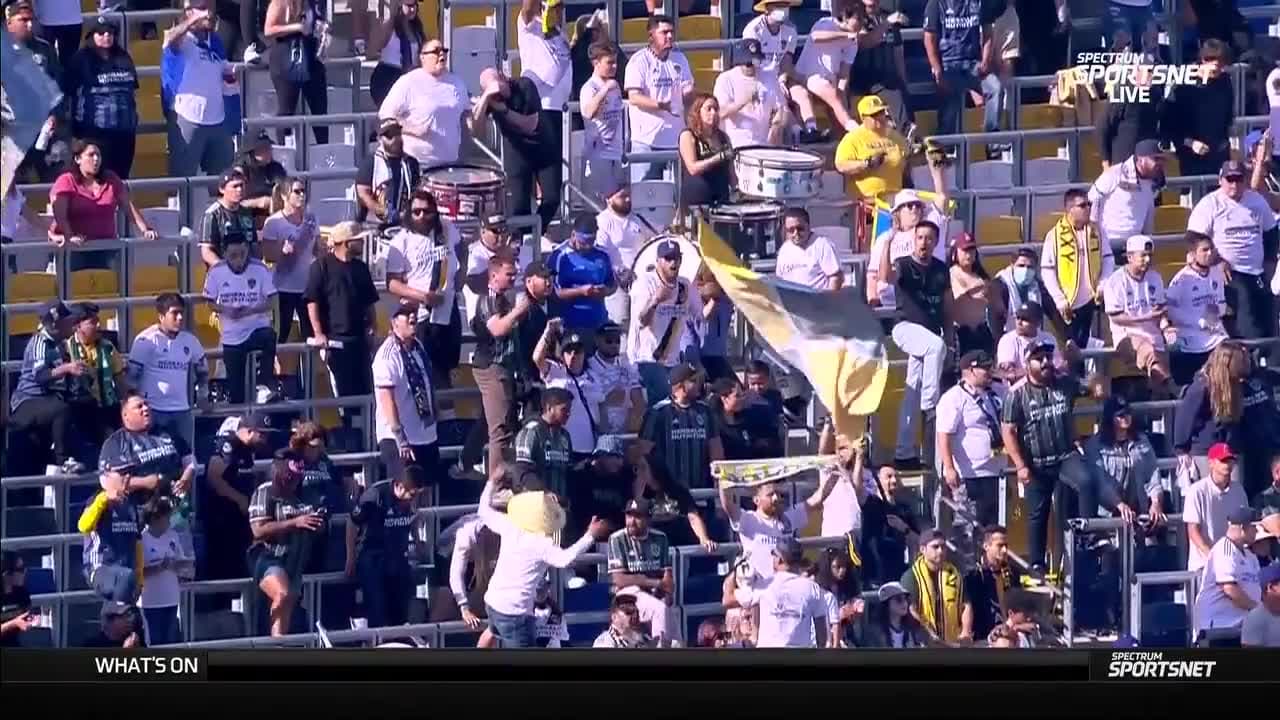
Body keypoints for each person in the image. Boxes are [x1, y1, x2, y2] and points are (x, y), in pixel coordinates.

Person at [1001, 341, 1130, 572]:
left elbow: (1092, 386)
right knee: (1037, 513)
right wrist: (1020, 465)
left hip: (1064, 456)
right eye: (1039, 359)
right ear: (1027, 363)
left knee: (1086, 481)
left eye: (1048, 357)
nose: (1045, 362)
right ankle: (1037, 563)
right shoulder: (1017, 394)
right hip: (1035, 462)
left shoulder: (1064, 383)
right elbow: (1008, 431)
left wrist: (1098, 385)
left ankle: (1088, 535)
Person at [476, 475, 609, 648]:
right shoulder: (541, 543)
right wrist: (590, 535)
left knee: (492, 632)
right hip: (515, 611)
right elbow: (564, 559)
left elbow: (483, 511)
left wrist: (492, 482)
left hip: (493, 602)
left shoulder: (511, 526)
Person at [879, 219, 948, 467]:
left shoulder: (940, 269)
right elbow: (885, 277)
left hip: (928, 335)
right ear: (913, 240)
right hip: (905, 328)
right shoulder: (904, 264)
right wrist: (887, 243)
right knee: (936, 347)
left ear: (935, 242)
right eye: (920, 238)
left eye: (929, 238)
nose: (924, 243)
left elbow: (946, 304)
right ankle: (930, 406)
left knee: (911, 390)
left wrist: (950, 334)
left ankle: (904, 453)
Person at [385, 190, 464, 404]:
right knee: (426, 371)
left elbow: (462, 247)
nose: (421, 216)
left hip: (448, 310)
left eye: (427, 211)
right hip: (421, 315)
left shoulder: (446, 229)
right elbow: (392, 283)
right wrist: (422, 297)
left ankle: (447, 417)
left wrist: (461, 275)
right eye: (416, 211)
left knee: (447, 370)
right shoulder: (401, 241)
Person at [1173, 341, 1280, 499]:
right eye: (1241, 360)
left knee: (1234, 496)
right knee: (1212, 498)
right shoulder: (1203, 386)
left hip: (1232, 448)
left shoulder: (1237, 384)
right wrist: (1181, 449)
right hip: (1207, 450)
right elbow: (1185, 418)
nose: (1246, 363)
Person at [1188, 159, 1278, 342]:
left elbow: (1270, 234)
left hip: (1257, 271)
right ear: (1221, 180)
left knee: (1269, 318)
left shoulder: (1257, 201)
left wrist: (1270, 263)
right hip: (1227, 273)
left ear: (1245, 180)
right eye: (1230, 179)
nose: (1234, 184)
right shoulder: (1210, 203)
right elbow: (1194, 237)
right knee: (1248, 322)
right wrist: (1217, 261)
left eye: (1239, 179)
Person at [304, 222, 379, 431]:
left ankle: (365, 437)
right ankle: (351, 437)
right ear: (346, 242)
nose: (362, 242)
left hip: (360, 341)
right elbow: (312, 302)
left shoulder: (360, 268)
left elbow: (369, 302)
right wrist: (319, 334)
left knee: (366, 393)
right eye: (358, 239)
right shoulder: (321, 267)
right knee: (345, 396)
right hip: (335, 343)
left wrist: (373, 326)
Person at [475, 67, 562, 237]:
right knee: (518, 206)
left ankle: (536, 233)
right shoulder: (491, 99)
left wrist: (504, 110)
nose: (496, 92)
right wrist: (485, 99)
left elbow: (530, 125)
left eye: (496, 84)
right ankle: (523, 241)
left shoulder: (524, 86)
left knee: (552, 199)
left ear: (503, 77)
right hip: (517, 153)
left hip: (544, 147)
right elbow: (476, 131)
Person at [248, 450, 327, 636]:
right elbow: (258, 530)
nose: (293, 480)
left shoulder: (308, 494)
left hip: (296, 562)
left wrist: (318, 523)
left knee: (288, 601)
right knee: (282, 594)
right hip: (269, 557)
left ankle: (279, 644)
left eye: (297, 476)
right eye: (289, 475)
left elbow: (320, 526)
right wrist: (294, 523)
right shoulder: (265, 491)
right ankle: (278, 645)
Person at [49, 138, 158, 272]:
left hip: (106, 247)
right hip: (77, 247)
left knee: (117, 271)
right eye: (91, 155)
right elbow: (60, 215)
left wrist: (145, 229)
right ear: (78, 159)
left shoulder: (111, 179)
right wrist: (70, 236)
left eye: (98, 155)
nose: (96, 159)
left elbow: (128, 206)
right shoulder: (66, 181)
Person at [719, 471, 838, 591]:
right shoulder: (748, 519)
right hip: (758, 591)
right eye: (770, 495)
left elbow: (818, 498)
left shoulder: (789, 517)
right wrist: (722, 478)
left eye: (778, 494)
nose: (776, 498)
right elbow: (727, 504)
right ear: (756, 500)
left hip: (784, 590)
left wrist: (834, 472)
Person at [127, 294, 208, 465]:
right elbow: (132, 377)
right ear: (161, 316)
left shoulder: (190, 341)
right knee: (153, 460)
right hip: (153, 411)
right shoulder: (146, 340)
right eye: (175, 313)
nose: (180, 318)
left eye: (182, 313)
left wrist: (203, 394)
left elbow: (202, 370)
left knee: (186, 460)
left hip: (182, 411)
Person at [8, 301, 85, 475]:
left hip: (47, 401)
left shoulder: (61, 344)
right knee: (61, 409)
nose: (72, 324)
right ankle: (63, 459)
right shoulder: (40, 342)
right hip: (28, 401)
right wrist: (67, 368)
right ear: (55, 325)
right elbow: (40, 376)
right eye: (68, 320)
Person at [162, 0, 236, 177]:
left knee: (223, 179)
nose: (208, 13)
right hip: (187, 116)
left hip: (218, 119)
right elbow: (169, 39)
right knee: (183, 179)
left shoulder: (215, 41)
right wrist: (192, 20)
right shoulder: (182, 39)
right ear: (188, 12)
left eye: (209, 8)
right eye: (202, 9)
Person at [348, 463, 427, 629]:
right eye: (412, 494)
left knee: (400, 613)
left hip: (398, 557)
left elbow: (412, 520)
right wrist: (351, 558)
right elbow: (352, 523)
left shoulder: (412, 500)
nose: (414, 499)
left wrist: (418, 542)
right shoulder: (375, 496)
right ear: (399, 486)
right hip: (372, 557)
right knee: (377, 610)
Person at [202, 233, 278, 405]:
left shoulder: (260, 269)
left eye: (242, 255)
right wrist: (227, 310)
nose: (239, 260)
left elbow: (273, 301)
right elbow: (209, 302)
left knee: (268, 336)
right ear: (225, 253)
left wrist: (250, 310)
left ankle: (263, 385)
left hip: (256, 328)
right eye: (233, 256)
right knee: (237, 392)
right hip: (231, 335)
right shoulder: (216, 271)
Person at [936, 350, 1006, 530]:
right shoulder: (953, 397)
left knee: (995, 528)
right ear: (970, 370)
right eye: (985, 368)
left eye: (990, 367)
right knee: (971, 528)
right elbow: (944, 434)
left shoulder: (998, 391)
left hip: (998, 471)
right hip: (970, 474)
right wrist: (949, 468)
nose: (989, 372)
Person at [628, 239, 703, 406]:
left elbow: (700, 315)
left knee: (677, 404)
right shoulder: (645, 283)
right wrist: (655, 300)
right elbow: (641, 322)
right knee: (663, 404)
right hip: (647, 359)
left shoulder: (685, 285)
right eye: (668, 258)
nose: (673, 263)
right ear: (658, 261)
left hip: (673, 361)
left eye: (676, 258)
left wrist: (715, 297)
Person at [64, 16, 139, 180]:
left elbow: (132, 91)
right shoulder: (80, 60)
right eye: (101, 33)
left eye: (110, 33)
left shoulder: (124, 57)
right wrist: (73, 132)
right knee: (95, 178)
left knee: (120, 179)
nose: (106, 36)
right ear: (91, 36)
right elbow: (69, 95)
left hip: (124, 132)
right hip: (93, 132)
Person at [379, 38, 472, 167]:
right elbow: (385, 116)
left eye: (444, 50)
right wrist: (412, 129)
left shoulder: (457, 83)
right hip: (417, 163)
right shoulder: (409, 82)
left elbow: (467, 117)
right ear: (422, 57)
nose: (441, 54)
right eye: (436, 51)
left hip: (449, 163)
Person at [624, 14, 694, 182]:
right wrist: (661, 105)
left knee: (675, 192)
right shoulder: (638, 61)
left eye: (671, 32)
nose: (669, 36)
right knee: (644, 191)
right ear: (651, 36)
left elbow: (687, 90)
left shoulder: (679, 58)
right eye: (664, 32)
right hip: (647, 141)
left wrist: (690, 93)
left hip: (675, 139)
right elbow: (634, 97)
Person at [373, 306, 440, 481]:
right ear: (394, 322)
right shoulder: (387, 356)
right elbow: (387, 400)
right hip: (399, 440)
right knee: (405, 489)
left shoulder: (418, 347)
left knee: (427, 488)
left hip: (425, 435)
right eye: (405, 313)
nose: (412, 316)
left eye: (413, 312)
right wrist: (400, 439)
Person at [1101, 234, 1174, 394]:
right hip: (1128, 336)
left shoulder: (1155, 278)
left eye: (1150, 256)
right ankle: (1168, 384)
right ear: (1130, 257)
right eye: (1143, 256)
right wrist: (1145, 318)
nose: (1147, 260)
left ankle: (1165, 389)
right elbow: (1116, 318)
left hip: (1154, 337)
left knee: (1159, 388)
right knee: (1148, 352)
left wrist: (1166, 328)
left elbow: (1160, 311)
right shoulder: (1115, 282)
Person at [1042, 188, 1114, 348]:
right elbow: (1047, 270)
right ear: (1070, 209)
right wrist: (1059, 299)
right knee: (1070, 346)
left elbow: (1108, 259)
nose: (1088, 208)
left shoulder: (1097, 231)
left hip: (1090, 299)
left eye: (1089, 204)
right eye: (1083, 205)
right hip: (1066, 302)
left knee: (1084, 343)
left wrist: (1103, 284)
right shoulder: (1054, 235)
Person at [923, 0, 1004, 141]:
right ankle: (944, 145)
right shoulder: (936, 3)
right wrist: (937, 69)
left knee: (995, 87)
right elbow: (929, 39)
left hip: (973, 64)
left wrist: (985, 60)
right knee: (951, 102)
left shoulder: (979, 2)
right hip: (947, 65)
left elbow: (988, 32)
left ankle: (992, 141)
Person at [865, 184, 952, 313]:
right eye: (909, 206)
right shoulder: (883, 239)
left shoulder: (928, 231)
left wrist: (937, 173)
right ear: (898, 212)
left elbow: (942, 198)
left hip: (922, 301)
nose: (915, 209)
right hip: (889, 304)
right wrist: (873, 301)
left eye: (918, 206)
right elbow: (872, 275)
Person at [640, 363, 726, 492]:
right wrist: (653, 484)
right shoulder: (658, 413)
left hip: (702, 491)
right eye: (694, 381)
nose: (699, 384)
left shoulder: (706, 411)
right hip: (668, 492)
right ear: (680, 385)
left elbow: (716, 450)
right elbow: (643, 453)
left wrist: (718, 481)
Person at [201, 413, 266, 582]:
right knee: (223, 569)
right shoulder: (228, 444)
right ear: (250, 431)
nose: (264, 440)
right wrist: (239, 499)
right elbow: (214, 477)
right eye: (262, 434)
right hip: (222, 518)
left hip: (238, 518)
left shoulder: (246, 449)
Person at [743, 0, 819, 141]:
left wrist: (782, 79)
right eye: (778, 6)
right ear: (767, 9)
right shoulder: (753, 30)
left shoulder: (791, 30)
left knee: (801, 93)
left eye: (785, 6)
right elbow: (752, 64)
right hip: (759, 78)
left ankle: (812, 130)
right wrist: (773, 83)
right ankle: (798, 133)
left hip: (780, 76)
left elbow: (786, 61)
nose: (783, 10)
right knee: (779, 98)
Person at [1085, 395, 1166, 526]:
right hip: (1106, 514)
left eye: (1128, 413)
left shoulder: (1142, 440)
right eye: (1120, 415)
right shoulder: (1095, 445)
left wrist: (1156, 502)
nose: (1126, 417)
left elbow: (1153, 473)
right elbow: (1100, 482)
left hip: (1138, 510)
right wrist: (1120, 505)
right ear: (1110, 418)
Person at [607, 498, 676, 645]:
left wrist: (667, 593)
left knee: (671, 619)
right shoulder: (617, 539)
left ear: (648, 518)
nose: (632, 521)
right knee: (660, 609)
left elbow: (667, 577)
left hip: (654, 593)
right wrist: (655, 583)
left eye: (638, 516)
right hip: (627, 594)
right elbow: (619, 579)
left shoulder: (660, 538)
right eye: (629, 516)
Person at [260, 178, 320, 347]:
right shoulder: (273, 223)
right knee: (280, 337)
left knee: (311, 337)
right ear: (284, 195)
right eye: (296, 191)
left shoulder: (312, 219)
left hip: (307, 288)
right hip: (282, 289)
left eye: (303, 191)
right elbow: (268, 256)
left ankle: (308, 365)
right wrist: (283, 251)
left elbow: (317, 250)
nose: (302, 195)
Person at [745, 538, 836, 648]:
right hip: (800, 654)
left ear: (779, 559)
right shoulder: (813, 588)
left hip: (767, 654)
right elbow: (822, 633)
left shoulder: (764, 585)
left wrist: (736, 571)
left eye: (774, 554)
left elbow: (728, 599)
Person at [1163, 39, 1234, 178]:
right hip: (1191, 156)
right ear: (1203, 60)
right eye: (1215, 65)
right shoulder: (1182, 85)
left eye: (1222, 65)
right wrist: (1190, 143)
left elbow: (1228, 116)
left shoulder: (1225, 82)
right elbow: (1169, 126)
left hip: (1219, 154)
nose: (1218, 70)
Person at [262, 0, 329, 145]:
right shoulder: (281, 2)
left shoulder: (315, 3)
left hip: (311, 57)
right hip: (287, 57)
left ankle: (324, 150)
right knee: (286, 111)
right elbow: (268, 29)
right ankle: (284, 151)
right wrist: (296, 27)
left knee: (320, 111)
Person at [1166, 232, 1229, 384]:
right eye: (1204, 250)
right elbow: (1171, 311)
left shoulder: (1216, 274)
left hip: (1215, 336)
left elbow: (1220, 302)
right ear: (1193, 254)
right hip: (1190, 339)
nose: (1210, 253)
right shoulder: (1181, 280)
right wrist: (1197, 322)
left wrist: (1215, 314)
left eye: (1211, 249)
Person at [794, 4, 864, 136]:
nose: (861, 23)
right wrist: (845, 35)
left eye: (862, 19)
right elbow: (816, 37)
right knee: (829, 91)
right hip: (806, 77)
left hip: (830, 82)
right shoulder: (825, 23)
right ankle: (855, 129)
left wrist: (841, 91)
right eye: (858, 18)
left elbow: (844, 72)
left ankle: (846, 137)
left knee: (837, 100)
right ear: (846, 18)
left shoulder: (853, 42)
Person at [533, 328, 604, 457]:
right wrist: (548, 332)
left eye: (577, 351)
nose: (573, 356)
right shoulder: (555, 371)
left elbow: (602, 406)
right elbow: (537, 358)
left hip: (588, 446)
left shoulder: (593, 377)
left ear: (584, 353)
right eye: (568, 351)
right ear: (562, 354)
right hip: (561, 446)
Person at [1194, 505, 1260, 642]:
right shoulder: (1224, 549)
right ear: (1242, 527)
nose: (1257, 530)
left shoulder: (1250, 556)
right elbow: (1229, 589)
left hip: (1241, 626)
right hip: (1219, 627)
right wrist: (1258, 610)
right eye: (1254, 526)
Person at [1183, 443, 1252, 573]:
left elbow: (1245, 526)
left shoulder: (1239, 490)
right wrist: (1211, 557)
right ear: (1211, 463)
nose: (1227, 464)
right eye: (1223, 460)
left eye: (1230, 460)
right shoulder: (1196, 491)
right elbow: (1193, 530)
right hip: (1203, 565)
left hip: (1234, 564)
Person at [1088, 139, 1162, 258]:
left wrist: (1147, 237)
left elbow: (1149, 213)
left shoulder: (1153, 182)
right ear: (1141, 159)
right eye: (1155, 159)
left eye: (1161, 159)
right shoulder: (1115, 173)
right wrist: (1094, 234)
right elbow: (1092, 198)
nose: (1160, 163)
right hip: (1109, 242)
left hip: (1136, 245)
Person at [848, 0, 913, 132]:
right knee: (892, 89)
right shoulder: (856, 17)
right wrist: (886, 23)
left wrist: (903, 80)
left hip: (884, 76)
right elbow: (863, 42)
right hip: (861, 75)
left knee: (900, 89)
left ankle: (907, 132)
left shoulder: (887, 16)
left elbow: (898, 51)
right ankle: (905, 130)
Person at [549, 213, 616, 335]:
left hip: (599, 323)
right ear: (573, 235)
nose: (588, 246)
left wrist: (605, 291)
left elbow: (612, 284)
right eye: (583, 242)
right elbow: (554, 292)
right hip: (569, 326)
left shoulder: (602, 254)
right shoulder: (560, 256)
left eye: (591, 241)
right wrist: (580, 291)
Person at [78, 470, 140, 602]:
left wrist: (140, 578)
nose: (127, 477)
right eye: (122, 473)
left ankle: (115, 612)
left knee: (126, 581)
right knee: (124, 578)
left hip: (126, 572)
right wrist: (104, 498)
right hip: (100, 568)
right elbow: (83, 526)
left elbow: (137, 543)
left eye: (129, 472)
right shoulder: (97, 500)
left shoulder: (131, 504)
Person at [713, 38, 787, 149]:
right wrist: (741, 102)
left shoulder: (769, 77)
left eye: (754, 62)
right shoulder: (725, 79)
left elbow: (782, 109)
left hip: (764, 145)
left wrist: (776, 126)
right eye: (747, 63)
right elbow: (720, 113)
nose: (751, 66)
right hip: (736, 145)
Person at [835, 94, 909, 204]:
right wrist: (866, 164)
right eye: (874, 115)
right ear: (863, 118)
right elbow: (841, 166)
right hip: (866, 200)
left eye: (881, 112)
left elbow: (906, 162)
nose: (879, 117)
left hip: (894, 199)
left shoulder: (895, 136)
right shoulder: (853, 138)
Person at [138, 496, 192, 646]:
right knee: (154, 645)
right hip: (150, 603)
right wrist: (159, 567)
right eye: (166, 517)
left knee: (171, 645)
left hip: (171, 600)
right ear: (155, 518)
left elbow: (182, 562)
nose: (169, 520)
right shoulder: (141, 539)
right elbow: (138, 572)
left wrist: (178, 566)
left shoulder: (173, 536)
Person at [596, 182, 651, 325]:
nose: (628, 199)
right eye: (622, 196)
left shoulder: (638, 220)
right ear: (609, 199)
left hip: (640, 283)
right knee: (620, 325)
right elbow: (601, 254)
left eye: (629, 195)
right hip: (617, 285)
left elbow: (651, 242)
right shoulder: (602, 222)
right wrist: (619, 271)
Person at [579, 41, 626, 202]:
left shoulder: (615, 86)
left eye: (615, 62)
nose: (614, 66)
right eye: (609, 62)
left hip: (617, 152)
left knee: (620, 202)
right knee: (600, 205)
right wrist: (604, 90)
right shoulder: (589, 88)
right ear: (596, 63)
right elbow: (588, 112)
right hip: (598, 154)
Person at [355, 118, 422, 228]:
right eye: (390, 136)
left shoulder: (411, 163)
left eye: (397, 133)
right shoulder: (371, 162)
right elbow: (362, 194)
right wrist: (385, 212)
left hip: (405, 224)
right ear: (379, 139)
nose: (395, 139)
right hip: (374, 224)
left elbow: (417, 191)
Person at [963, 525, 1025, 641]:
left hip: (1010, 629)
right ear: (986, 546)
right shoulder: (974, 575)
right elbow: (968, 608)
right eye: (1000, 545)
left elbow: (1018, 607)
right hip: (985, 636)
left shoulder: (1013, 573)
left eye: (1006, 546)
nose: (1005, 550)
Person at [945, 232, 1002, 356]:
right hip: (961, 332)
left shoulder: (980, 275)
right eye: (964, 250)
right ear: (955, 253)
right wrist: (981, 289)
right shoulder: (952, 274)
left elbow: (995, 299)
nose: (969, 254)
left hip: (982, 329)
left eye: (971, 250)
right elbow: (962, 296)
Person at [516, 0, 572, 123]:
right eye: (554, 8)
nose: (558, 12)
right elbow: (528, 7)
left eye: (560, 8)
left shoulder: (560, 32)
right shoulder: (530, 25)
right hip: (541, 104)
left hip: (561, 106)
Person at [587, 321, 646, 435]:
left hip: (628, 429)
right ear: (597, 341)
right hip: (602, 431)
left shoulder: (627, 364)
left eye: (618, 341)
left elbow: (638, 401)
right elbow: (598, 403)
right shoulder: (589, 366)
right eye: (609, 340)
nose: (614, 344)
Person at [514, 387, 575, 497]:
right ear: (549, 408)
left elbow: (569, 471)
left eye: (570, 410)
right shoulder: (531, 432)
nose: (568, 414)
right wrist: (544, 492)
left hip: (560, 503)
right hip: (536, 501)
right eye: (564, 409)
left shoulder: (565, 436)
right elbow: (523, 471)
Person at [677, 92, 733, 212]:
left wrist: (736, 189)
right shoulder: (688, 135)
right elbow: (692, 168)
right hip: (697, 204)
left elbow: (731, 171)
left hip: (722, 203)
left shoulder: (723, 137)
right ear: (698, 112)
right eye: (709, 109)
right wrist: (716, 158)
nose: (713, 113)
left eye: (716, 109)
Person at [367, 0, 426, 106]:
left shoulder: (417, 29)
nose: (413, 9)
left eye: (415, 5)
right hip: (388, 75)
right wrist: (391, 16)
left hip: (410, 77)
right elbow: (372, 50)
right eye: (409, 6)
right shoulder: (390, 27)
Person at [198, 169, 259, 267]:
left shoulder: (246, 212)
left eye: (241, 185)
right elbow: (206, 251)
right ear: (222, 189)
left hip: (246, 270)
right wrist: (224, 268)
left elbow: (253, 245)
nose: (239, 189)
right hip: (221, 271)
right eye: (235, 186)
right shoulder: (212, 214)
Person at [995, 302, 1068, 383]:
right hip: (1019, 387)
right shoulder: (1008, 339)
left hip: (1047, 384)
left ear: (1038, 323)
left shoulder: (1048, 338)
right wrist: (1036, 370)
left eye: (1025, 319)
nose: (1019, 322)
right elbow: (1007, 374)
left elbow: (1059, 365)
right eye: (1018, 317)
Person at [712, 378, 783, 461]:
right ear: (724, 399)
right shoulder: (715, 425)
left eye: (742, 395)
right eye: (737, 396)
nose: (742, 399)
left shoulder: (746, 420)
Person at [775, 207, 844, 292]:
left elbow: (836, 277)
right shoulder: (784, 250)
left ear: (808, 226)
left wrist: (828, 298)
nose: (796, 233)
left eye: (800, 229)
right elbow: (780, 280)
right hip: (791, 299)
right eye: (791, 230)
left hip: (816, 299)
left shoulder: (822, 245)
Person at [232, 132, 289, 221]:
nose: (269, 151)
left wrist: (273, 201)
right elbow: (232, 202)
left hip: (272, 215)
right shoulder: (240, 171)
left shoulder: (276, 168)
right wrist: (257, 202)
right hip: (245, 218)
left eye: (269, 147)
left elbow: (286, 192)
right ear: (251, 151)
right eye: (263, 148)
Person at [994, 249, 1052, 334]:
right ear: (1012, 265)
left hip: (1034, 336)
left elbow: (1053, 312)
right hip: (1007, 337)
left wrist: (1067, 339)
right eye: (1021, 265)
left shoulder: (1039, 286)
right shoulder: (999, 286)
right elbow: (995, 321)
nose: (1025, 270)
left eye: (1030, 267)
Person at [858, 581, 929, 647]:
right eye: (899, 599)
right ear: (886, 604)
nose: (905, 603)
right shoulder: (874, 632)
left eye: (905, 599)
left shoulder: (911, 629)